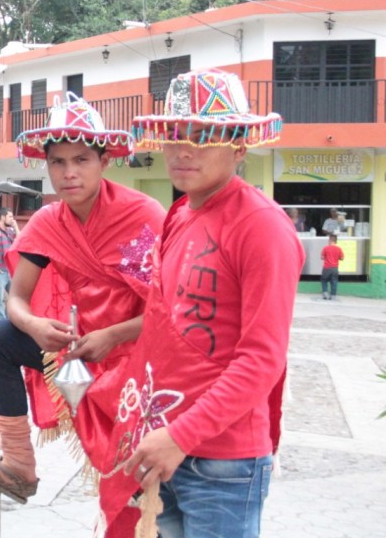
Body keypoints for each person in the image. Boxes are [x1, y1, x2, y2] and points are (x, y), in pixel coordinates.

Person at [97, 69, 305, 538]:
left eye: (202, 135)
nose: (183, 149)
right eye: (174, 135)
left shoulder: (262, 227)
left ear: (238, 145)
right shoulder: (178, 213)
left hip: (223, 463)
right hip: (161, 447)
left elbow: (262, 359)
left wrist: (181, 436)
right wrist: (110, 336)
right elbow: (164, 319)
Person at [0, 92, 166, 536]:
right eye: (58, 162)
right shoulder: (48, 221)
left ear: (104, 161)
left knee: (135, 483)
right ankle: (17, 465)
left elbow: (170, 311)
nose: (69, 173)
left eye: (81, 159)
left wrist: (113, 334)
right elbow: (15, 298)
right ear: (45, 166)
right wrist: (32, 324)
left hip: (143, 353)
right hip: (81, 347)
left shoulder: (144, 215)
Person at [320, 233, 344, 300]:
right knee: (334, 281)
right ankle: (333, 295)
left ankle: (325, 293)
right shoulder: (339, 249)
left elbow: (322, 257)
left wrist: (326, 257)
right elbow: (342, 258)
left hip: (326, 267)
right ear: (336, 241)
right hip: (335, 268)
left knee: (324, 280)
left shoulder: (325, 248)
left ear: (330, 240)